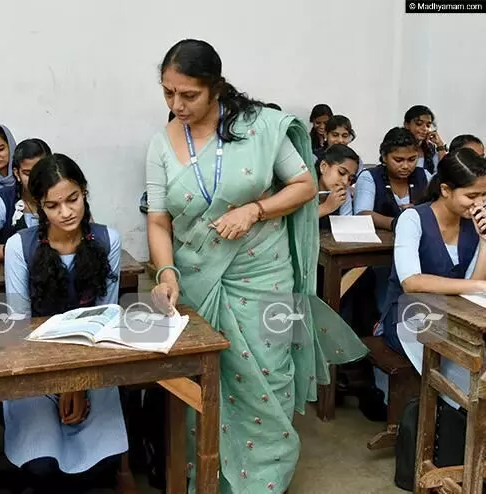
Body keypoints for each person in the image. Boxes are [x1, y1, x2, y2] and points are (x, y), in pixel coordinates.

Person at [145, 39, 367, 493]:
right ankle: (206, 478)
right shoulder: (161, 143)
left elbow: (305, 186)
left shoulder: (260, 127)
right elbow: (158, 220)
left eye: (188, 95)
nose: (177, 104)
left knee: (268, 377)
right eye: (168, 93)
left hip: (265, 279)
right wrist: (166, 273)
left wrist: (255, 211)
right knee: (201, 385)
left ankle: (264, 481)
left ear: (216, 88)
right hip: (198, 280)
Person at [3, 154, 128, 492]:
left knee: (96, 468)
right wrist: (61, 383)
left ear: (84, 192)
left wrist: (79, 383)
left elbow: (106, 317)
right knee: (42, 466)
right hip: (36, 367)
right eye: (53, 205)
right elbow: (20, 325)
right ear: (37, 206)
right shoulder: (19, 247)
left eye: (73, 199)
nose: (66, 212)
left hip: (92, 362)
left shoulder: (107, 240)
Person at [378, 148, 486, 355]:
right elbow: (411, 282)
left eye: (484, 195)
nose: (480, 203)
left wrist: (484, 242)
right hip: (409, 317)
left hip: (456, 315)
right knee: (462, 357)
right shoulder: (412, 219)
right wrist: (480, 285)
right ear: (446, 190)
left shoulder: (471, 222)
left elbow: (471, 286)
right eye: (472, 195)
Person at [0, 138, 51, 262]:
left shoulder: (63, 197)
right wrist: (24, 251)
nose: (35, 179)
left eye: (41, 172)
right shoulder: (0, 199)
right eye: (27, 173)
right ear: (17, 173)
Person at [354, 127, 431, 230]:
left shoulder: (424, 175)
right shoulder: (369, 177)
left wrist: (419, 211)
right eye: (398, 160)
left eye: (412, 159)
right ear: (384, 157)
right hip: (380, 244)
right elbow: (362, 214)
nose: (405, 166)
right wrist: (397, 223)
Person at [317, 144, 360, 228]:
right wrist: (326, 207)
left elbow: (345, 228)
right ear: (323, 167)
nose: (345, 182)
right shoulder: (305, 188)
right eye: (341, 172)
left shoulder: (343, 193)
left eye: (350, 179)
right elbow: (296, 222)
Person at [403, 105, 447, 174]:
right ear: (406, 125)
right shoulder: (397, 146)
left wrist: (440, 145)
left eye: (428, 125)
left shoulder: (430, 149)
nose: (425, 129)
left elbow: (445, 172)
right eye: (419, 124)